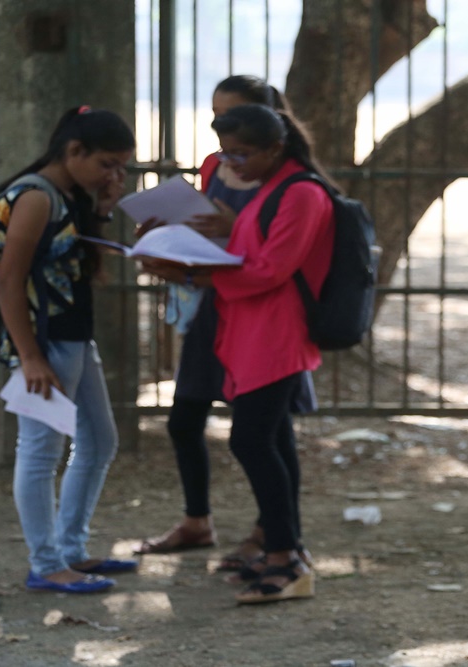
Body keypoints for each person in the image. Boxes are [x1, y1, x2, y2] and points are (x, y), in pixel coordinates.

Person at [141, 104, 334, 604]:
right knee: (264, 440)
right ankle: (283, 553)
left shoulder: (303, 194)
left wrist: (191, 275)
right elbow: (245, 254)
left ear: (275, 148)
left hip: (277, 335)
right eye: (226, 153)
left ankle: (286, 558)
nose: (231, 163)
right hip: (248, 330)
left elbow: (270, 269)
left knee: (253, 440)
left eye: (242, 154)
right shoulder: (269, 187)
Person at [0, 106, 137, 594]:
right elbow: (8, 281)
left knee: (99, 441)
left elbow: (81, 269)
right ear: (74, 151)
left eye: (122, 167)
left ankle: (71, 550)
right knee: (40, 452)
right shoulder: (35, 197)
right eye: (108, 164)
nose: (114, 175)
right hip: (45, 345)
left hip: (72, 338)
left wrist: (102, 207)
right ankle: (47, 563)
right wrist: (29, 355)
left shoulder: (68, 195)